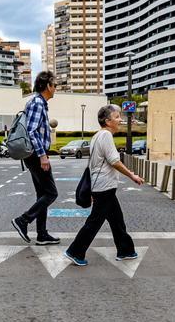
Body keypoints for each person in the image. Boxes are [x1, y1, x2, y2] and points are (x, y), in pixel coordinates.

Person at [64, 105, 145, 266]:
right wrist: (132, 175)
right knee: (94, 222)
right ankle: (75, 251)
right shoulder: (106, 135)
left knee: (117, 220)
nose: (120, 119)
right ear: (107, 121)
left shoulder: (97, 136)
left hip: (101, 186)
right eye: (117, 117)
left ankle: (126, 250)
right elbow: (114, 161)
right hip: (104, 187)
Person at [11, 71, 60, 245]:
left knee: (42, 194)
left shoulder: (39, 103)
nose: (56, 88)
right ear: (47, 85)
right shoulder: (38, 103)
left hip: (34, 154)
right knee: (51, 193)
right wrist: (42, 156)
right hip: (35, 154)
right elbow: (31, 132)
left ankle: (42, 234)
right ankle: (23, 220)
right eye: (54, 85)